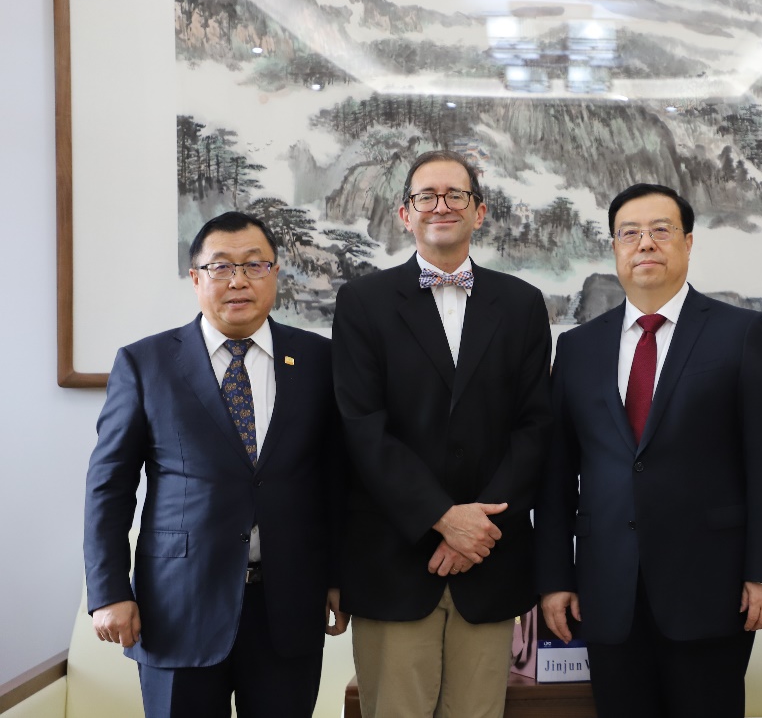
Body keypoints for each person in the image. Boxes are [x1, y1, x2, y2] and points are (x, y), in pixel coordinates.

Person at [536, 183, 762, 718]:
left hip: (712, 587)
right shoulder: (578, 346)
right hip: (608, 590)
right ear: (614, 247)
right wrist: (556, 579)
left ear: (688, 242)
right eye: (630, 233)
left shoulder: (739, 333)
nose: (645, 243)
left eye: (660, 230)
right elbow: (556, 476)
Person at [83, 211, 346, 718]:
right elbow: (108, 488)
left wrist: (338, 575)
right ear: (196, 277)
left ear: (275, 273)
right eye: (221, 266)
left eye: (254, 265)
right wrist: (109, 591)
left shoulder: (319, 360)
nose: (238, 281)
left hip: (288, 605)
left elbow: (334, 478)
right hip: (177, 607)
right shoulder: (145, 363)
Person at [332, 150, 552, 718]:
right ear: (405, 214)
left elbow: (534, 426)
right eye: (426, 196)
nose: (441, 206)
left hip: (489, 558)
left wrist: (477, 527)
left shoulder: (522, 304)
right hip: (393, 559)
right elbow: (362, 428)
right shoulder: (362, 302)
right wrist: (441, 517)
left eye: (456, 195)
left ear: (480, 211)